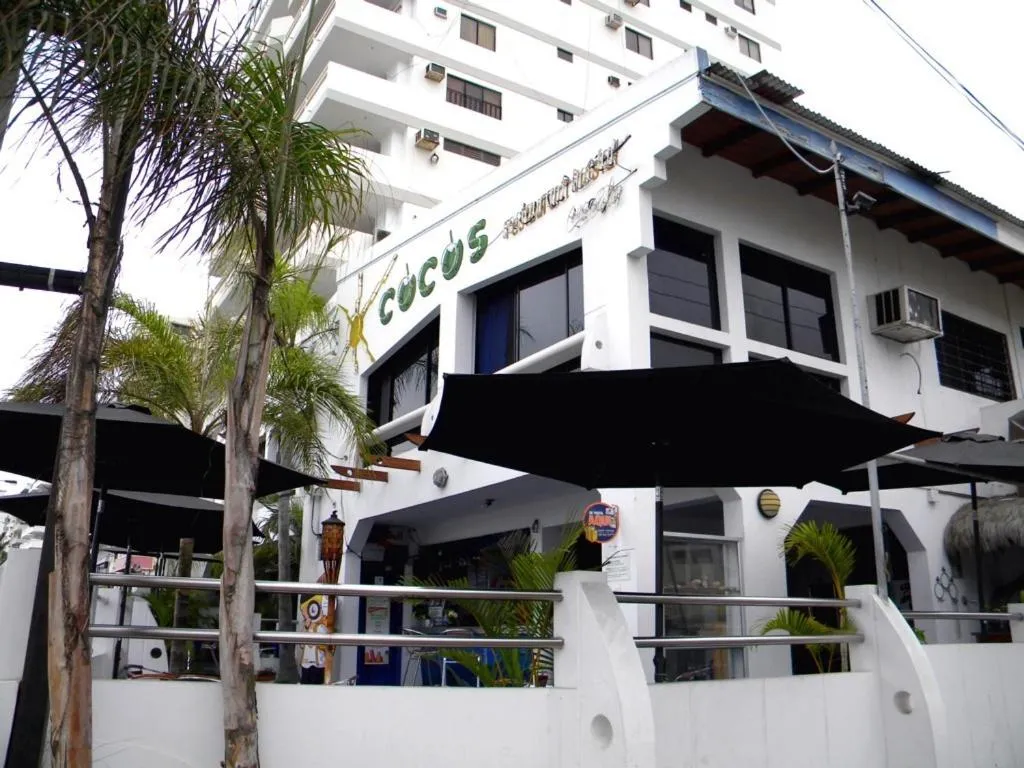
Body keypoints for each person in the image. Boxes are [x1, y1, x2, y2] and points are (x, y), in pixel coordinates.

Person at [298, 573, 330, 684]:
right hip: (306, 663)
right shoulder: (305, 627)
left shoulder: (321, 626)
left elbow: (326, 643)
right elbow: (301, 645)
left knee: (317, 685)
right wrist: (306, 627)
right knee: (305, 683)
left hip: (319, 663)